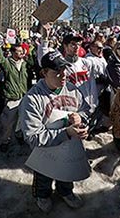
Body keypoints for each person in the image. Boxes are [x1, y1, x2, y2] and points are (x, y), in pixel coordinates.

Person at [19, 51, 89, 212]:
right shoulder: (32, 99)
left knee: (66, 174)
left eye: (64, 69)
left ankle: (65, 191)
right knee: (43, 177)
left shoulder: (72, 89)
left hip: (68, 151)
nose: (63, 75)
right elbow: (33, 136)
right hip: (45, 154)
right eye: (57, 71)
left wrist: (81, 119)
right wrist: (66, 133)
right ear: (44, 73)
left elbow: (85, 111)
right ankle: (42, 195)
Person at [0, 41, 34, 152]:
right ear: (12, 52)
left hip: (24, 96)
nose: (21, 53)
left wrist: (30, 51)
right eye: (19, 51)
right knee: (8, 123)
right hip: (12, 98)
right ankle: (5, 141)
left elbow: (33, 63)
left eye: (22, 51)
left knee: (22, 121)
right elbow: (0, 60)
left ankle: (18, 135)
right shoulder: (8, 64)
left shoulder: (25, 64)